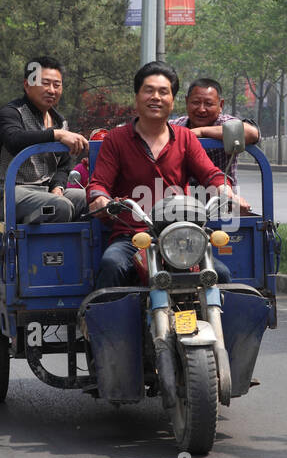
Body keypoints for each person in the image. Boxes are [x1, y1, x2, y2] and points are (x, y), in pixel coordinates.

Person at [87, 61, 250, 289]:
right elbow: (99, 184)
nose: (156, 97)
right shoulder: (116, 139)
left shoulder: (185, 138)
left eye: (163, 92)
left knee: (220, 275)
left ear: (172, 101)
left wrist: (226, 192)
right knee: (112, 264)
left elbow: (211, 174)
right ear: (136, 97)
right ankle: (103, 325)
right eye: (149, 90)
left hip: (181, 237)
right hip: (133, 237)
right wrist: (101, 200)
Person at [0, 56, 88, 223]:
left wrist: (58, 187)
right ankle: (42, 246)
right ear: (27, 85)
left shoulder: (60, 122)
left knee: (93, 200)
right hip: (9, 194)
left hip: (46, 193)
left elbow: (64, 165)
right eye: (45, 83)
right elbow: (14, 140)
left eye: (57, 85)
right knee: (60, 206)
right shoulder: (11, 113)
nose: (52, 90)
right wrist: (56, 135)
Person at [169, 78, 261, 187]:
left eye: (208, 104)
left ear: (220, 105)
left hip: (221, 198)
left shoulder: (226, 123)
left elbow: (252, 133)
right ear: (186, 102)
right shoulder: (175, 125)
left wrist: (201, 131)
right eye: (196, 102)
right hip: (180, 199)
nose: (201, 109)